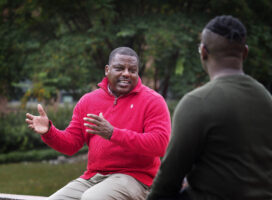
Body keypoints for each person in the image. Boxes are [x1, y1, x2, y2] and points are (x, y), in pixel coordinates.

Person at [146, 15, 272, 200]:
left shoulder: (198, 102)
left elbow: (168, 180)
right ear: (245, 52)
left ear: (203, 52)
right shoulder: (267, 101)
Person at [25, 47, 171, 200]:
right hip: (94, 178)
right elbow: (71, 145)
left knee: (92, 198)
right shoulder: (89, 101)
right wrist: (49, 132)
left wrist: (113, 133)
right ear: (107, 70)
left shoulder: (153, 101)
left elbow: (161, 145)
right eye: (120, 68)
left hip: (136, 179)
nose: (126, 73)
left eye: (132, 70)